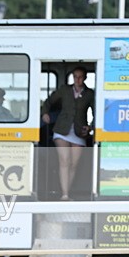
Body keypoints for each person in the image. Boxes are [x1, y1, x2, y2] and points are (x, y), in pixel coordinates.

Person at [41, 66, 94, 201]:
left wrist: (90, 126)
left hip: (79, 132)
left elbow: (96, 111)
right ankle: (65, 195)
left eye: (80, 77)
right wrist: (44, 113)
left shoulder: (89, 94)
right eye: (75, 76)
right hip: (61, 129)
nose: (77, 79)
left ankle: (67, 191)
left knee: (73, 164)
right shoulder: (64, 90)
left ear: (85, 78)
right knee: (64, 161)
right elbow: (48, 101)